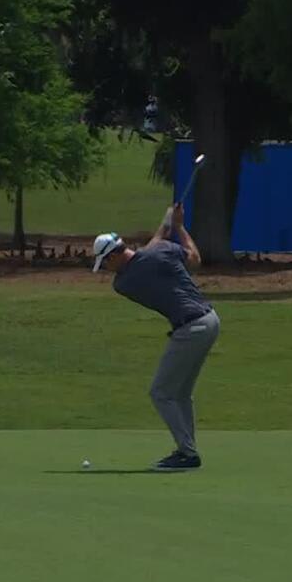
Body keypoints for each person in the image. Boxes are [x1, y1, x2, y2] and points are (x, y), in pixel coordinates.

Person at [91, 202, 221, 471]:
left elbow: (151, 250)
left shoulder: (123, 283)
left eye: (104, 263)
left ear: (114, 256)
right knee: (181, 393)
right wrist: (179, 228)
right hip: (210, 321)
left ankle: (187, 454)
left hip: (191, 329)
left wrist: (167, 226)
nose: (104, 269)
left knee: (161, 392)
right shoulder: (154, 257)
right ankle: (188, 451)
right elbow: (193, 258)